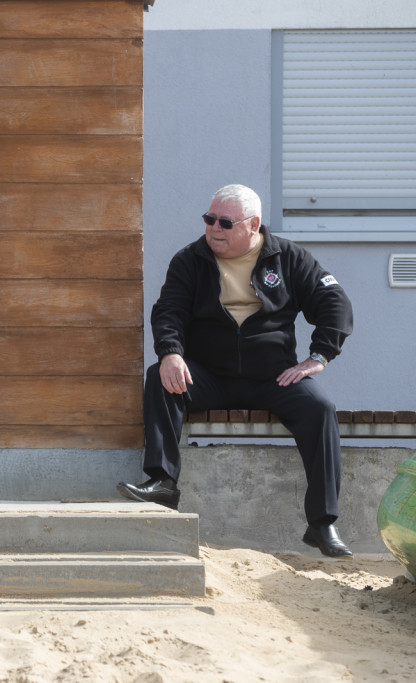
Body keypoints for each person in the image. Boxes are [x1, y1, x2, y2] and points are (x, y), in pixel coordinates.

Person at [117, 184, 355, 557]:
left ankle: (322, 524)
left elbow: (334, 301)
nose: (213, 228)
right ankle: (163, 482)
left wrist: (319, 357)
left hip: (272, 377)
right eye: (209, 219)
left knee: (320, 408)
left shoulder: (288, 258)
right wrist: (170, 353)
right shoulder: (189, 260)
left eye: (225, 222)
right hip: (209, 376)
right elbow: (169, 310)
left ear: (253, 224)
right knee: (159, 377)